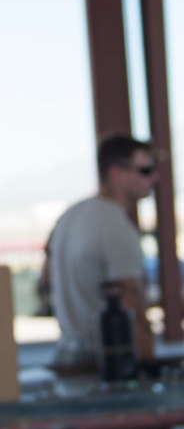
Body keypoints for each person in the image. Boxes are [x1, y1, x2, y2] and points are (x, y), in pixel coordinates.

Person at [43, 133, 156, 369]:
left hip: (67, 358)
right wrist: (148, 368)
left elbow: (44, 282)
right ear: (116, 173)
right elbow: (130, 305)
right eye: (145, 170)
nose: (154, 177)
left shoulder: (70, 215)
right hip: (106, 363)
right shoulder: (114, 226)